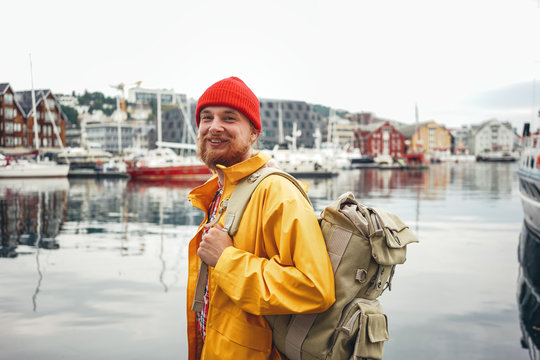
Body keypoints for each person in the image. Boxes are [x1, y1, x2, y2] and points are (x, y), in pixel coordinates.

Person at [186, 76, 335, 360]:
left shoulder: (277, 191)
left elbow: (315, 289)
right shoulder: (221, 192)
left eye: (229, 118)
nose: (214, 126)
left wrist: (227, 259)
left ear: (254, 132)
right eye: (207, 117)